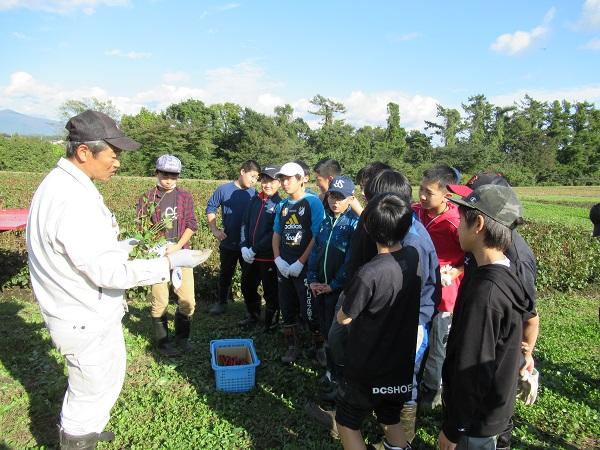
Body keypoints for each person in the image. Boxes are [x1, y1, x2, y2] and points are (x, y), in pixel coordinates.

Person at [26, 110, 210, 449]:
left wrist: (120, 246)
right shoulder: (72, 198)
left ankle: (89, 430)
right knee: (89, 390)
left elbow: (88, 252)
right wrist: (165, 262)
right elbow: (107, 272)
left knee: (101, 382)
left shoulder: (67, 186)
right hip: (82, 313)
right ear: (84, 152)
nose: (118, 163)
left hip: (86, 308)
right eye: (114, 154)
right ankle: (79, 438)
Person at [310, 169, 439, 443]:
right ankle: (393, 437)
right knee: (390, 394)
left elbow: (424, 291)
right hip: (386, 324)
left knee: (398, 389)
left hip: (400, 327)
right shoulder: (404, 240)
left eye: (370, 202)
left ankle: (398, 434)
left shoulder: (410, 244)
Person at [438, 184, 535, 450]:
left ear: (478, 223)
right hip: (490, 409)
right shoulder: (503, 273)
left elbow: (474, 368)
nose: (457, 227)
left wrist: (454, 427)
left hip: (474, 420)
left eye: (461, 220)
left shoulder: (487, 294)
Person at [335, 193, 419, 450]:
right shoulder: (412, 256)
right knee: (390, 418)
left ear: (368, 227)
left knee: (347, 422)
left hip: (367, 365)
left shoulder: (370, 272)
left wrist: (342, 312)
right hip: (400, 363)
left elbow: (344, 317)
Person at [136, 154, 198, 357]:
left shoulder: (185, 197)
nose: (169, 179)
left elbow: (191, 224)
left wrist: (178, 246)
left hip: (181, 253)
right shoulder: (146, 198)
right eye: (165, 174)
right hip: (157, 255)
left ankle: (182, 338)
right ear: (157, 173)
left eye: (174, 175)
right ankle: (163, 343)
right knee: (160, 299)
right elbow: (142, 227)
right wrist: (160, 246)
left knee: (187, 299)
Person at [414, 165, 465, 411]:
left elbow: (471, 256)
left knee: (438, 344)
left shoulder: (456, 222)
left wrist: (456, 271)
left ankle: (432, 391)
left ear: (447, 195)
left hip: (445, 294)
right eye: (421, 189)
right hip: (418, 289)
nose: (422, 196)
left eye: (429, 192)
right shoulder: (416, 212)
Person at [273, 162, 325, 364]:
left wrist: (301, 262)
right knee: (286, 306)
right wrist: (277, 259)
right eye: (282, 179)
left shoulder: (312, 203)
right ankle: (292, 346)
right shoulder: (283, 205)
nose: (284, 183)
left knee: (309, 308)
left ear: (302, 178)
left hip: (304, 267)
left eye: (289, 178)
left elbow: (316, 235)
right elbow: (277, 233)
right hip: (284, 265)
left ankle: (319, 346)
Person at [307, 176, 359, 367]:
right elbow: (315, 252)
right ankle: (328, 367)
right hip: (319, 286)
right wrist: (312, 278)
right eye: (332, 196)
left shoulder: (354, 224)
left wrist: (334, 285)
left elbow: (350, 261)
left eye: (340, 197)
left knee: (335, 330)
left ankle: (337, 371)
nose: (335, 201)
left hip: (338, 290)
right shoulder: (325, 221)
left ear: (351, 199)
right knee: (321, 323)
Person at [206, 160, 260, 315]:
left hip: (247, 245)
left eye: (256, 178)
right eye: (252, 176)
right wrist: (215, 230)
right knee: (225, 274)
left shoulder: (254, 194)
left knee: (250, 277)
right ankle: (221, 303)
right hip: (228, 242)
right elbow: (211, 207)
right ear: (242, 172)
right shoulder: (224, 190)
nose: (254, 181)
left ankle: (252, 308)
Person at [239, 164, 282, 331]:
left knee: (270, 290)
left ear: (279, 183)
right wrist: (243, 246)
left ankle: (270, 322)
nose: (267, 184)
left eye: (272, 181)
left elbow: (273, 232)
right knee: (247, 286)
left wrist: (255, 249)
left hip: (268, 256)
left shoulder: (279, 204)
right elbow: (245, 223)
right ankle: (253, 315)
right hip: (250, 255)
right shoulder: (254, 200)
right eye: (264, 180)